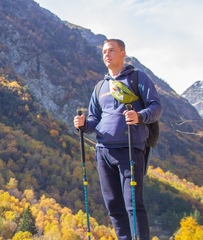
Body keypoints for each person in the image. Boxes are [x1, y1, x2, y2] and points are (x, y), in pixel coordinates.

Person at [73, 39, 162, 240]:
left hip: (130, 148)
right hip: (103, 150)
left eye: (112, 50)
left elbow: (156, 108)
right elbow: (95, 118)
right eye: (104, 51)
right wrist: (83, 124)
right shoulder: (100, 87)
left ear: (123, 53)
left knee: (133, 204)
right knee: (113, 205)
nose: (107, 54)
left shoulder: (138, 79)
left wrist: (139, 116)